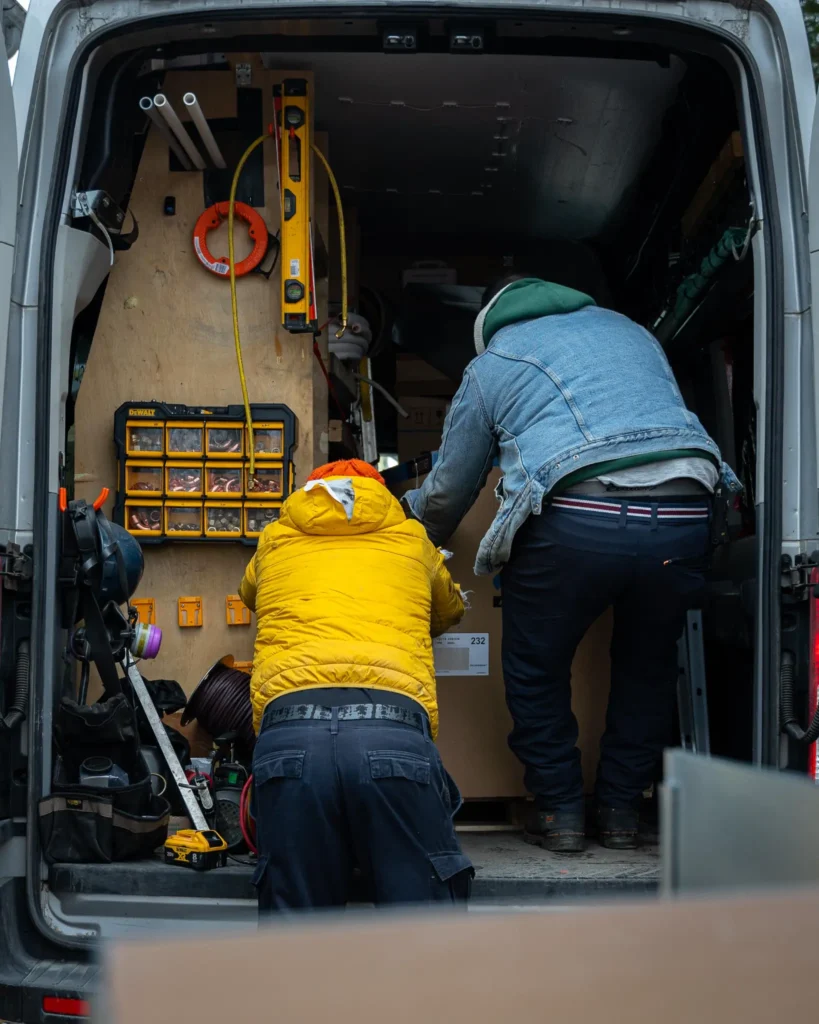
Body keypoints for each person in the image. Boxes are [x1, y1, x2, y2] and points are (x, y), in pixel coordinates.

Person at [404, 275, 740, 853]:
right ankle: (620, 812)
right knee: (648, 667)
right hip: (688, 510)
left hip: (579, 519)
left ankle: (559, 810)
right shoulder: (632, 332)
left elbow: (450, 491)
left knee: (537, 666)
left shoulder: (494, 362)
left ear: (490, 326)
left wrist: (408, 532)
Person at [239, 458, 472, 911]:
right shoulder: (413, 540)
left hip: (290, 735)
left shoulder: (275, 540)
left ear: (310, 493)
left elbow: (250, 595)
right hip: (392, 732)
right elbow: (448, 611)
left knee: (297, 933)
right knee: (420, 924)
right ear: (381, 494)